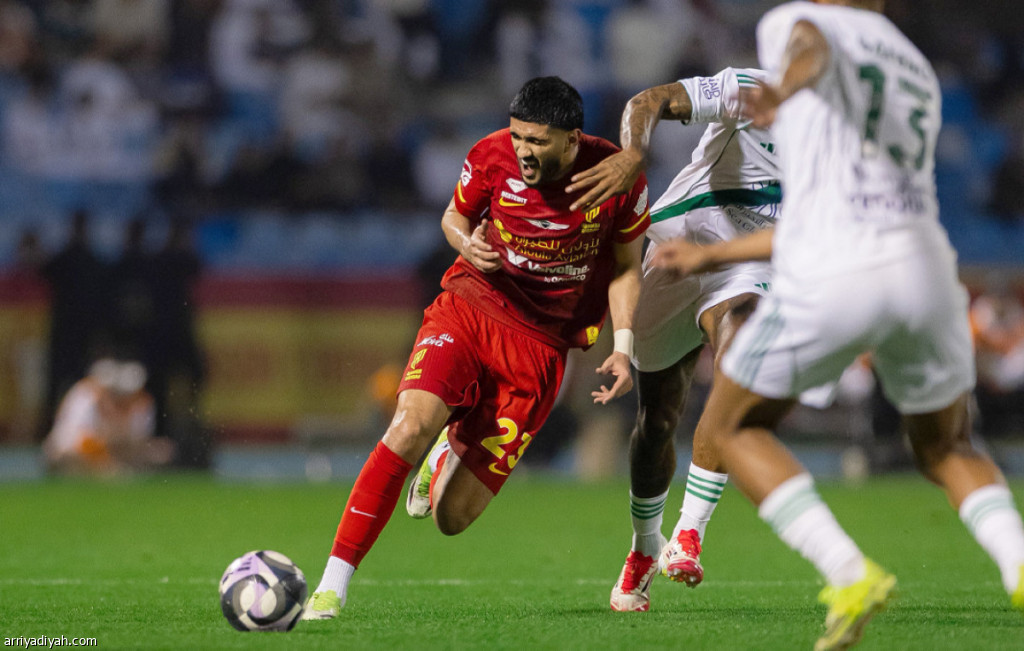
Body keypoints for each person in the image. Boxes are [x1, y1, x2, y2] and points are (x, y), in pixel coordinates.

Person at [651, 1, 1024, 649]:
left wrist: (783, 90)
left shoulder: (800, 22)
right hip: (927, 264)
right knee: (948, 446)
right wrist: (715, 256)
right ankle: (1017, 558)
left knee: (732, 425)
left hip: (841, 266)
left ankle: (849, 571)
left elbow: (812, 46)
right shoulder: (914, 65)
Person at [302, 76, 651, 620]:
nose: (523, 150)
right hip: (471, 306)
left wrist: (623, 346)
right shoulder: (490, 155)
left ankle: (450, 444)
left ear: (571, 140)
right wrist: (467, 243)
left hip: (540, 348)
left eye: (537, 141)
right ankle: (331, 586)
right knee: (407, 426)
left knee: (452, 517)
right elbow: (453, 216)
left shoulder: (617, 178)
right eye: (518, 137)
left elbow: (627, 268)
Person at [566, 67, 787, 611]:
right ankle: (645, 546)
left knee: (738, 368)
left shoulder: (847, 147)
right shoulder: (754, 88)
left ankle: (689, 533)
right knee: (657, 419)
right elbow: (651, 99)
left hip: (743, 268)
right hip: (675, 246)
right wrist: (633, 153)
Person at [43, 357, 172, 476]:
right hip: (71, 450)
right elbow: (80, 439)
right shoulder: (84, 397)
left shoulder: (139, 402)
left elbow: (137, 439)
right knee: (70, 454)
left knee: (160, 452)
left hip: (111, 450)